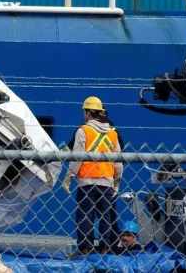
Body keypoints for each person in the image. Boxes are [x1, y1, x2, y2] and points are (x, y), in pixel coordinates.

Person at [63, 96, 123, 254]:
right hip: (106, 182)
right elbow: (118, 161)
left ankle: (85, 248)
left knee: (85, 216)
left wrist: (69, 176)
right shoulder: (112, 134)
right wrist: (117, 181)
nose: (83, 115)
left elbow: (77, 157)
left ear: (89, 113)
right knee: (106, 217)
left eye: (84, 111)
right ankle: (105, 248)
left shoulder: (83, 131)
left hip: (87, 182)